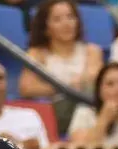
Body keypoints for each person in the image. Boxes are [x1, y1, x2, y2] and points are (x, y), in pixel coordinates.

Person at [19, 0, 104, 132]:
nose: (66, 24)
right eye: (57, 19)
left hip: (87, 108)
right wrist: (64, 86)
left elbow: (94, 79)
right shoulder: (37, 53)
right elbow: (27, 88)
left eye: (70, 17)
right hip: (57, 113)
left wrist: (78, 84)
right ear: (46, 27)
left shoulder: (92, 51)